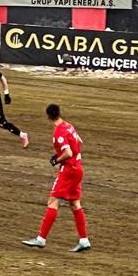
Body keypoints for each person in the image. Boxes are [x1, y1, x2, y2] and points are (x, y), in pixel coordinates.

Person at [22, 104, 90, 252]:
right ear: (59, 113)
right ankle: (84, 240)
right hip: (78, 168)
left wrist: (56, 159)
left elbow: (68, 153)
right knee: (74, 204)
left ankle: (41, 239)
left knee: (53, 201)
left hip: (69, 170)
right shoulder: (69, 126)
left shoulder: (59, 132)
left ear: (48, 116)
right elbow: (79, 140)